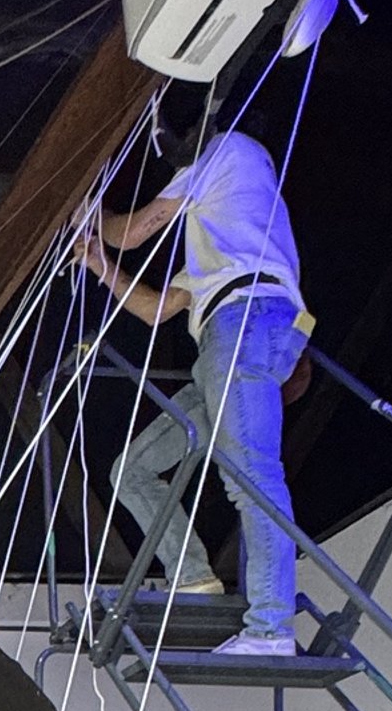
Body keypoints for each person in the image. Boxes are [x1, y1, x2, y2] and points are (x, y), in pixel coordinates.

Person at [81, 116, 314, 662]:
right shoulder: (228, 232)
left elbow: (137, 230)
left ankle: (271, 627)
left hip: (245, 324)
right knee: (132, 470)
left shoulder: (229, 150)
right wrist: (99, 264)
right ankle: (191, 576)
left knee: (252, 475)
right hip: (234, 334)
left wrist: (96, 217)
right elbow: (159, 309)